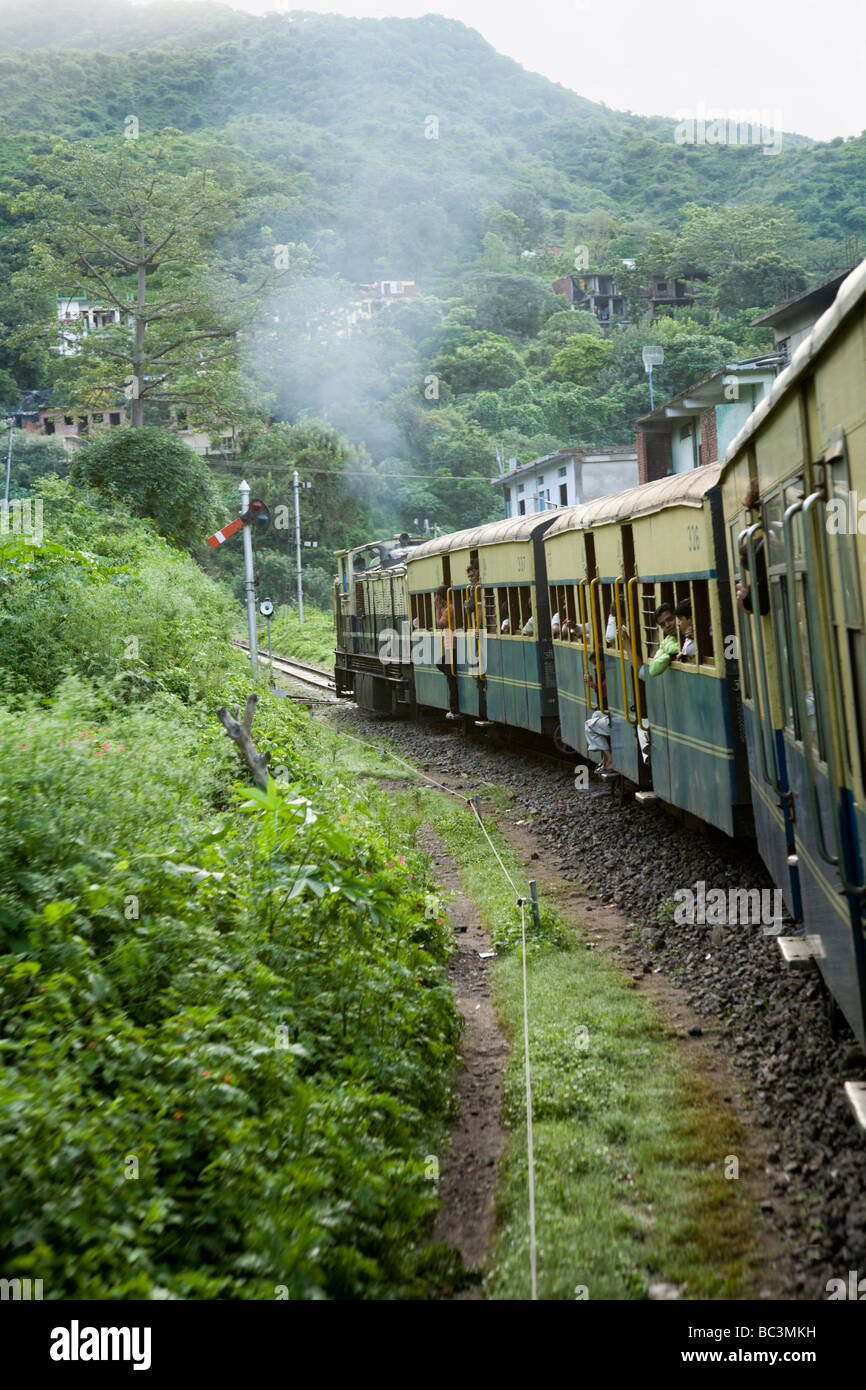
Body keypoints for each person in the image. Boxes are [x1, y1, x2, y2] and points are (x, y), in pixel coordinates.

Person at [621, 603, 679, 680]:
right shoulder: (666, 642)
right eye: (662, 624)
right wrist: (669, 656)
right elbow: (653, 670)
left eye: (670, 619)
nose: (667, 625)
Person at [434, 585, 460, 718]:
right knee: (442, 666)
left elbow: (439, 624)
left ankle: (454, 709)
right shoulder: (451, 608)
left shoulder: (448, 610)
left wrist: (437, 609)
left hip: (452, 647)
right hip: (452, 647)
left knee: (451, 679)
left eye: (437, 598)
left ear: (441, 598)